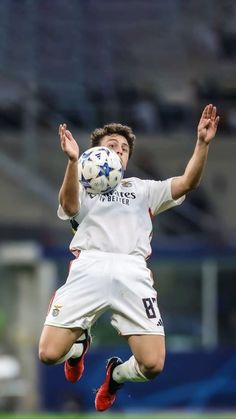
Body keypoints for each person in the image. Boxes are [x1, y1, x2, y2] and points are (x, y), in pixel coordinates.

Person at [38, 104, 219, 412]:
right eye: (112, 146)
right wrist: (72, 161)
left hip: (132, 272)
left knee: (152, 364)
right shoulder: (82, 187)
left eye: (124, 149)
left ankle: (116, 375)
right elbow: (68, 207)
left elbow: (188, 181)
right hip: (90, 267)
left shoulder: (143, 190)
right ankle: (77, 347)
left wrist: (202, 144)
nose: (119, 151)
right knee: (49, 354)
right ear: (94, 155)